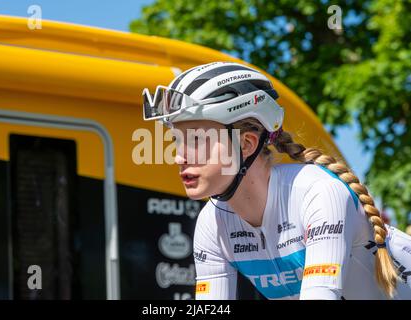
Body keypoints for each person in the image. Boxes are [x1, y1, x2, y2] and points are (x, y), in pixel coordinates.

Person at [142, 61, 411, 300]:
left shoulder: (319, 193)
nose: (179, 158)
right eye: (177, 141)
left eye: (197, 140)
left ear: (246, 143)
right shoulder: (212, 221)